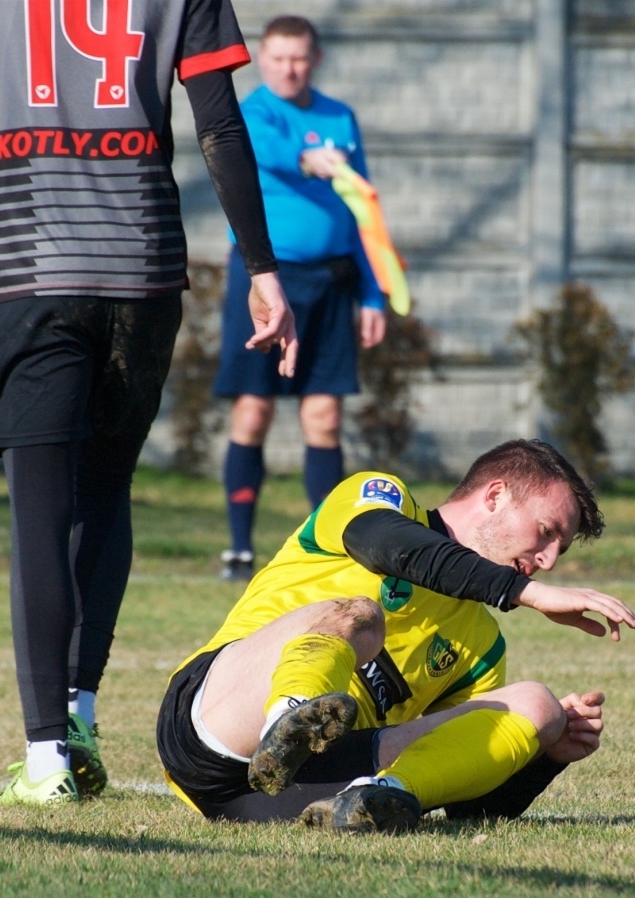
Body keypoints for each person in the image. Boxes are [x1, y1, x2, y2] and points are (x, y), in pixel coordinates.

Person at [0, 0, 299, 805]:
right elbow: (221, 128)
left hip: (33, 275)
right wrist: (262, 269)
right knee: (104, 492)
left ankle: (48, 754)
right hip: (142, 274)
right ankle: (79, 710)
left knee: (40, 516)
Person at [157, 439, 635, 832]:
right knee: (359, 616)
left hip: (284, 793)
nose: (549, 559)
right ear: (495, 496)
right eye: (545, 531)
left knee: (536, 702)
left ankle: (379, 799)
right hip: (217, 719)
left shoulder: (480, 643)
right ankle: (286, 721)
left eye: (560, 547)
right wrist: (526, 592)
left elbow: (468, 801)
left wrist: (546, 754)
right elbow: (393, 547)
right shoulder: (382, 497)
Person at [213, 15, 388, 582]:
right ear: (263, 59)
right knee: (254, 408)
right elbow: (271, 152)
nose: (290, 68)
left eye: (300, 58)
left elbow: (362, 206)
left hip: (332, 281)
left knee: (324, 416)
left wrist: (372, 292)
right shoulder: (253, 114)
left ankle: (323, 548)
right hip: (266, 276)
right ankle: (240, 547)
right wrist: (311, 160)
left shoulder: (340, 117)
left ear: (316, 59)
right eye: (279, 57)